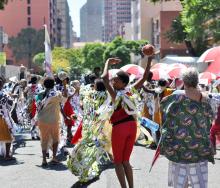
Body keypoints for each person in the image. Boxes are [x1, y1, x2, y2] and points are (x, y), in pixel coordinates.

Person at [101, 54, 153, 188]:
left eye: (116, 80)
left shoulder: (116, 94)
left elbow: (104, 78)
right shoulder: (131, 90)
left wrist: (107, 62)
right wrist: (150, 60)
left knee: (118, 161)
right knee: (126, 161)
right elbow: (145, 76)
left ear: (124, 83)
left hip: (120, 128)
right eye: (114, 80)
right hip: (132, 126)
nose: (113, 82)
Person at [159, 68, 215, 188]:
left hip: (178, 148)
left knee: (179, 183)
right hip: (200, 149)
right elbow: (213, 116)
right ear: (197, 81)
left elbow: (162, 108)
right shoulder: (207, 100)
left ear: (184, 81)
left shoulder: (174, 98)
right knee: (199, 183)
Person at [36, 77, 67, 166]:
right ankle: (54, 157)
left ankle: (44, 160)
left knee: (44, 138)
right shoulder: (57, 94)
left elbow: (38, 106)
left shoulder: (39, 94)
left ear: (44, 85)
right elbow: (65, 99)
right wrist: (64, 85)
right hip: (54, 119)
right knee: (55, 138)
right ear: (54, 85)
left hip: (42, 119)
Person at [0, 77, 16, 160]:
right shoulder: (4, 94)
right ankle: (6, 156)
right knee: (8, 136)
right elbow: (10, 104)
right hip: (2, 118)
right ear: (1, 85)